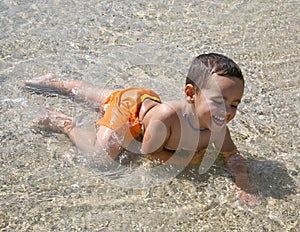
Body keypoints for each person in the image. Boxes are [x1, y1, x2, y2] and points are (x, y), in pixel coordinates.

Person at [24, 53, 259, 206]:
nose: (227, 111)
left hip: (145, 100)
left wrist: (243, 182)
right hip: (131, 112)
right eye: (218, 101)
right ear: (190, 94)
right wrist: (187, 159)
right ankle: (65, 121)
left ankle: (58, 83)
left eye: (234, 104)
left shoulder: (219, 129)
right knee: (100, 156)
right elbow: (150, 152)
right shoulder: (167, 117)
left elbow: (232, 155)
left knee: (99, 96)